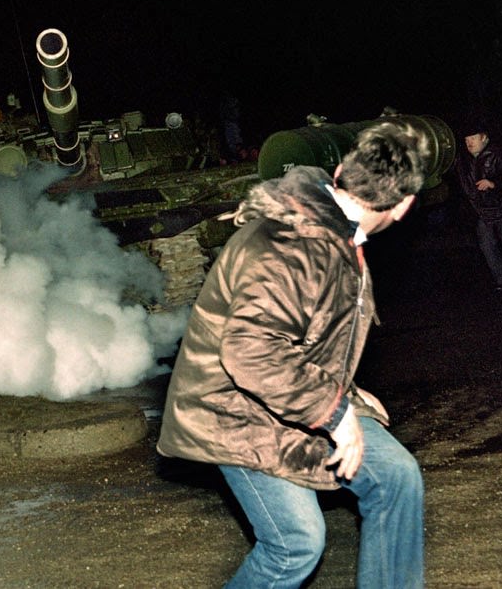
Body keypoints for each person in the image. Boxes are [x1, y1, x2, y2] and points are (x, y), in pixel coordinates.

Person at [157, 120, 426, 588]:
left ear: (341, 171)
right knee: (294, 544)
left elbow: (304, 334)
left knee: (396, 476)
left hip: (286, 397)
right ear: (403, 206)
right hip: (235, 412)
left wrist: (348, 393)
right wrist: (336, 412)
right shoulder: (291, 245)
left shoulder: (334, 230)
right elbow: (251, 352)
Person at [456, 126, 502, 292]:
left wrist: (493, 183)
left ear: (484, 138)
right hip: (480, 212)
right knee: (488, 247)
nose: (469, 142)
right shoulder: (462, 160)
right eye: (466, 139)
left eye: (473, 138)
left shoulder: (498, 154)